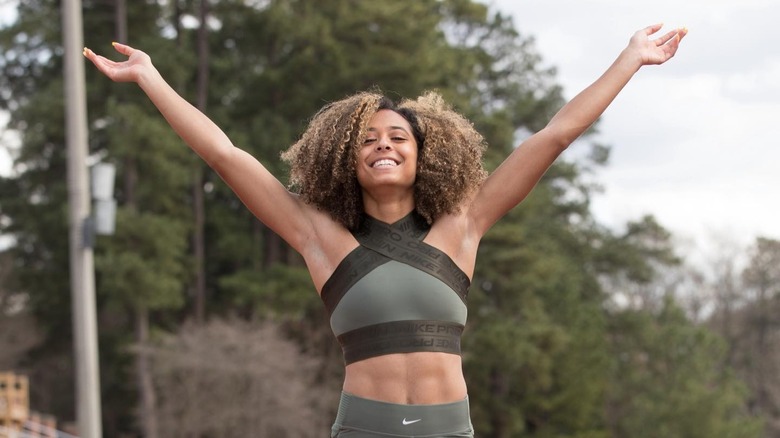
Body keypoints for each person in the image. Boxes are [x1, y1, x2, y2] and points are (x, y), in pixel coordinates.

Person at [84, 22, 686, 438]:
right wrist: (150, 77)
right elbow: (225, 154)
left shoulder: (464, 223)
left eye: (398, 137)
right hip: (363, 428)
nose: (384, 146)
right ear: (347, 159)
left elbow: (553, 135)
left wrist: (630, 59)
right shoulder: (317, 234)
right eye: (368, 140)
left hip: (449, 427)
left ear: (425, 156)